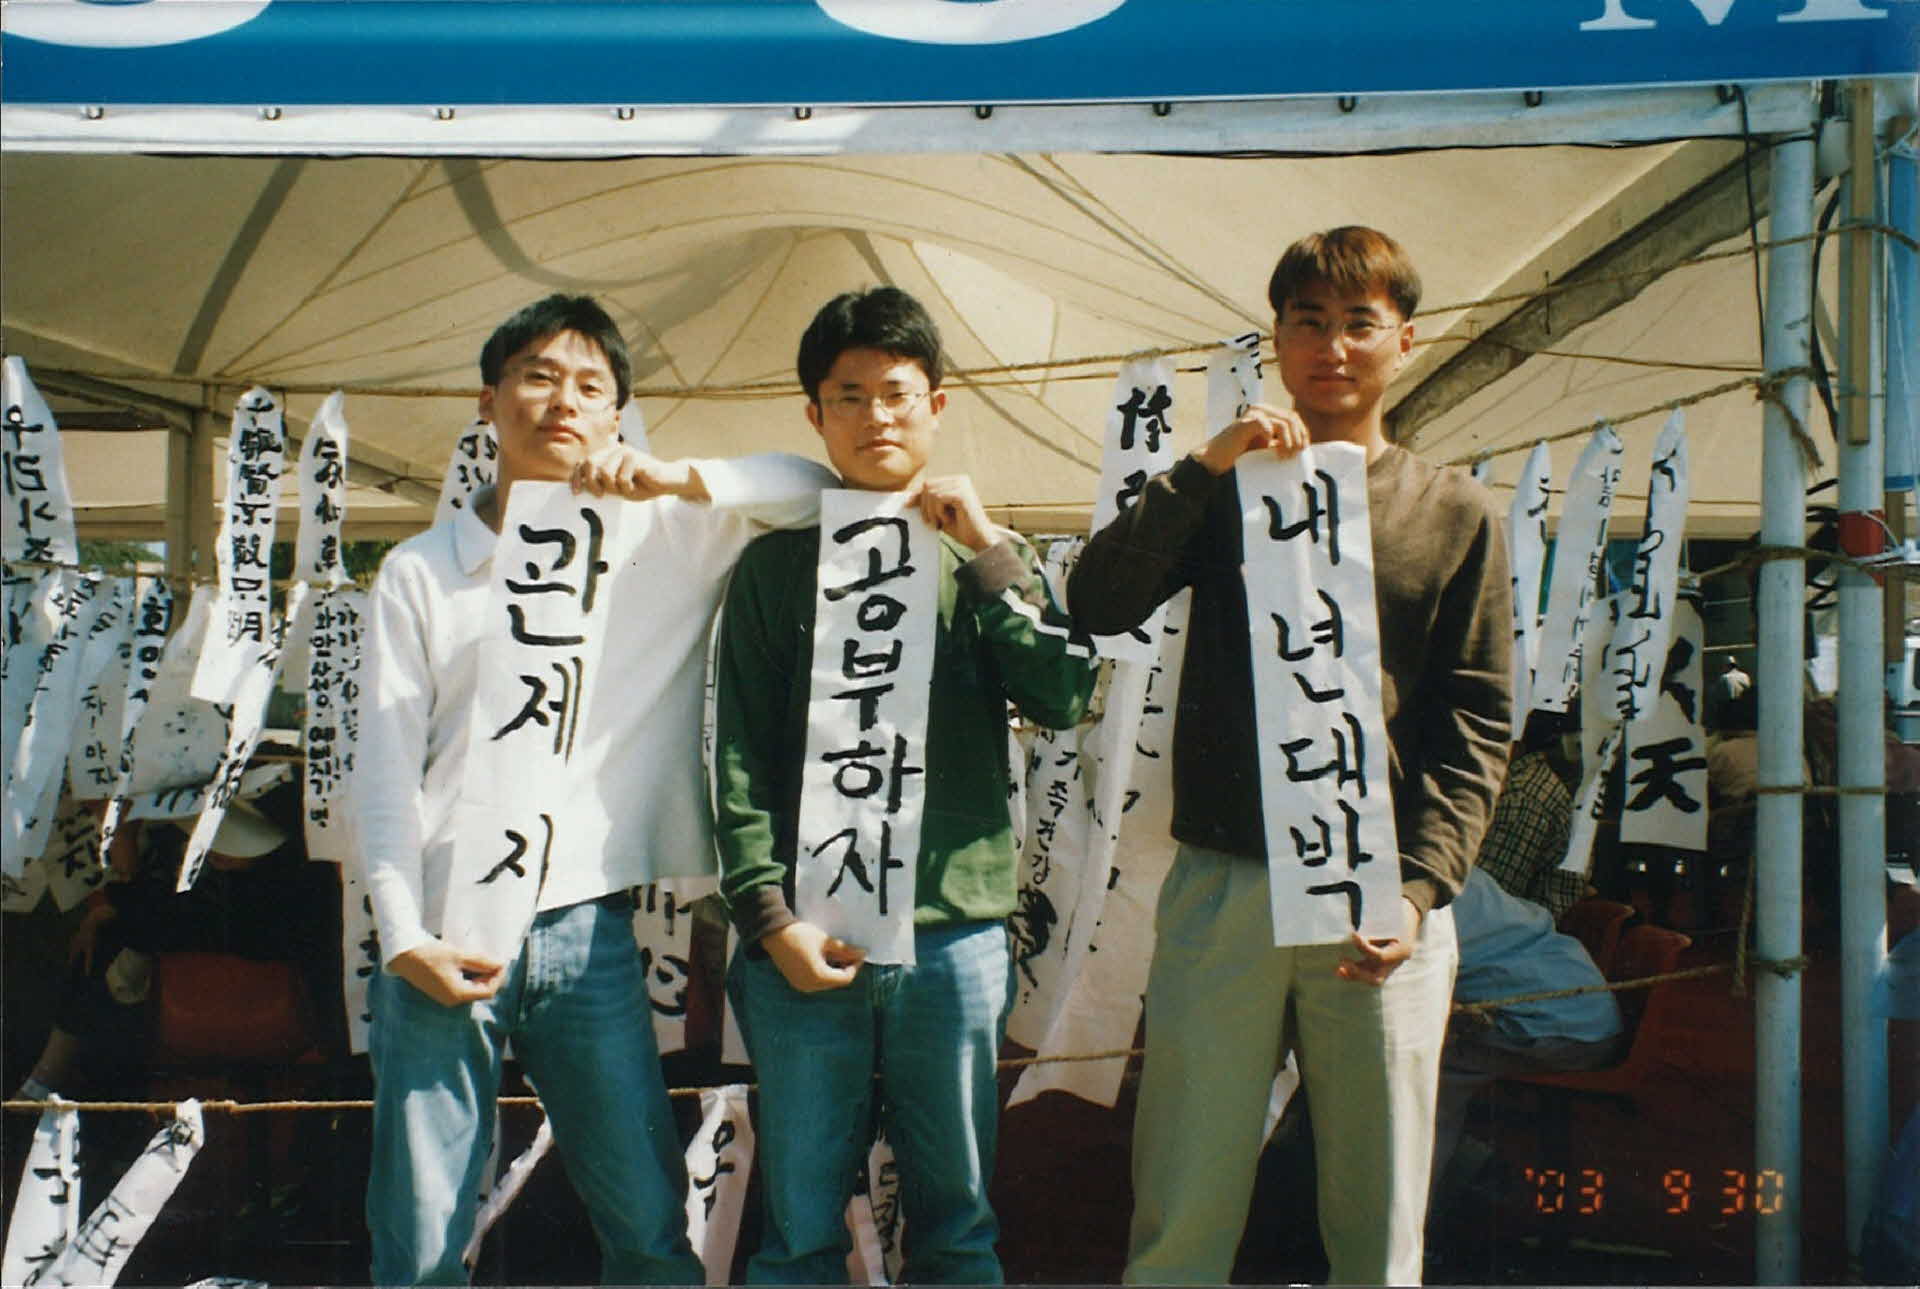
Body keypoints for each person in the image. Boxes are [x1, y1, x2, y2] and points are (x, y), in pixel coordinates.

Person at [352, 293, 833, 1286]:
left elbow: (817, 490)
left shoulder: (662, 535)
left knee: (649, 1226)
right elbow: (386, 768)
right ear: (488, 401)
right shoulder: (422, 569)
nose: (562, 401)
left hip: (587, 928)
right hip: (442, 926)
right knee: (422, 1238)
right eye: (536, 376)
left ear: (618, 413)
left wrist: (675, 475)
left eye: (590, 385)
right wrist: (401, 933)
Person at [1067, 226, 1512, 1285]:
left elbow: (1479, 717)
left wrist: (1421, 886)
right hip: (1226, 882)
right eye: (1308, 322)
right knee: (1184, 1194)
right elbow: (1098, 599)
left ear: (1405, 339)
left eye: (1360, 322)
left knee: (1378, 1211)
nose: (1333, 346)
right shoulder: (1227, 487)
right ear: (1276, 338)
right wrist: (1202, 464)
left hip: (1379, 894)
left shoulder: (1451, 507)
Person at [710, 286, 1097, 1284]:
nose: (875, 415)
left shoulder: (987, 554)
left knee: (957, 1221)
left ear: (937, 404)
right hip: (807, 932)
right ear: (814, 414)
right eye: (849, 395)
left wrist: (986, 551)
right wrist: (767, 916)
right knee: (798, 1225)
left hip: (953, 930)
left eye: (897, 393)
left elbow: (1063, 693)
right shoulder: (773, 567)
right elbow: (736, 752)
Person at [1428, 868, 1624, 1212]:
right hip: (1580, 1013)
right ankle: (1457, 1170)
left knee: (1418, 1073)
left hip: (1561, 1027)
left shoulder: (1414, 890)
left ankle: (1418, 1208)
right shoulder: (1449, 864)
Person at [1476, 722, 1587, 919]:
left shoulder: (1524, 794)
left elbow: (1489, 900)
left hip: (1518, 927)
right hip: (1520, 921)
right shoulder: (1526, 782)